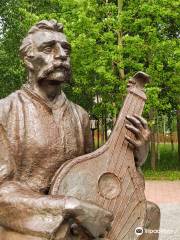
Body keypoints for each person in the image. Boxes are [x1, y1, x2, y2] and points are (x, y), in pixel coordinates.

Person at [0, 20, 159, 240]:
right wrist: (69, 206)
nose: (62, 54)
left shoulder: (80, 115)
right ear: (27, 59)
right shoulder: (6, 111)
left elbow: (93, 172)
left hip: (81, 210)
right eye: (49, 48)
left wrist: (137, 156)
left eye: (66, 49)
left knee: (148, 214)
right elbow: (2, 191)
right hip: (34, 217)